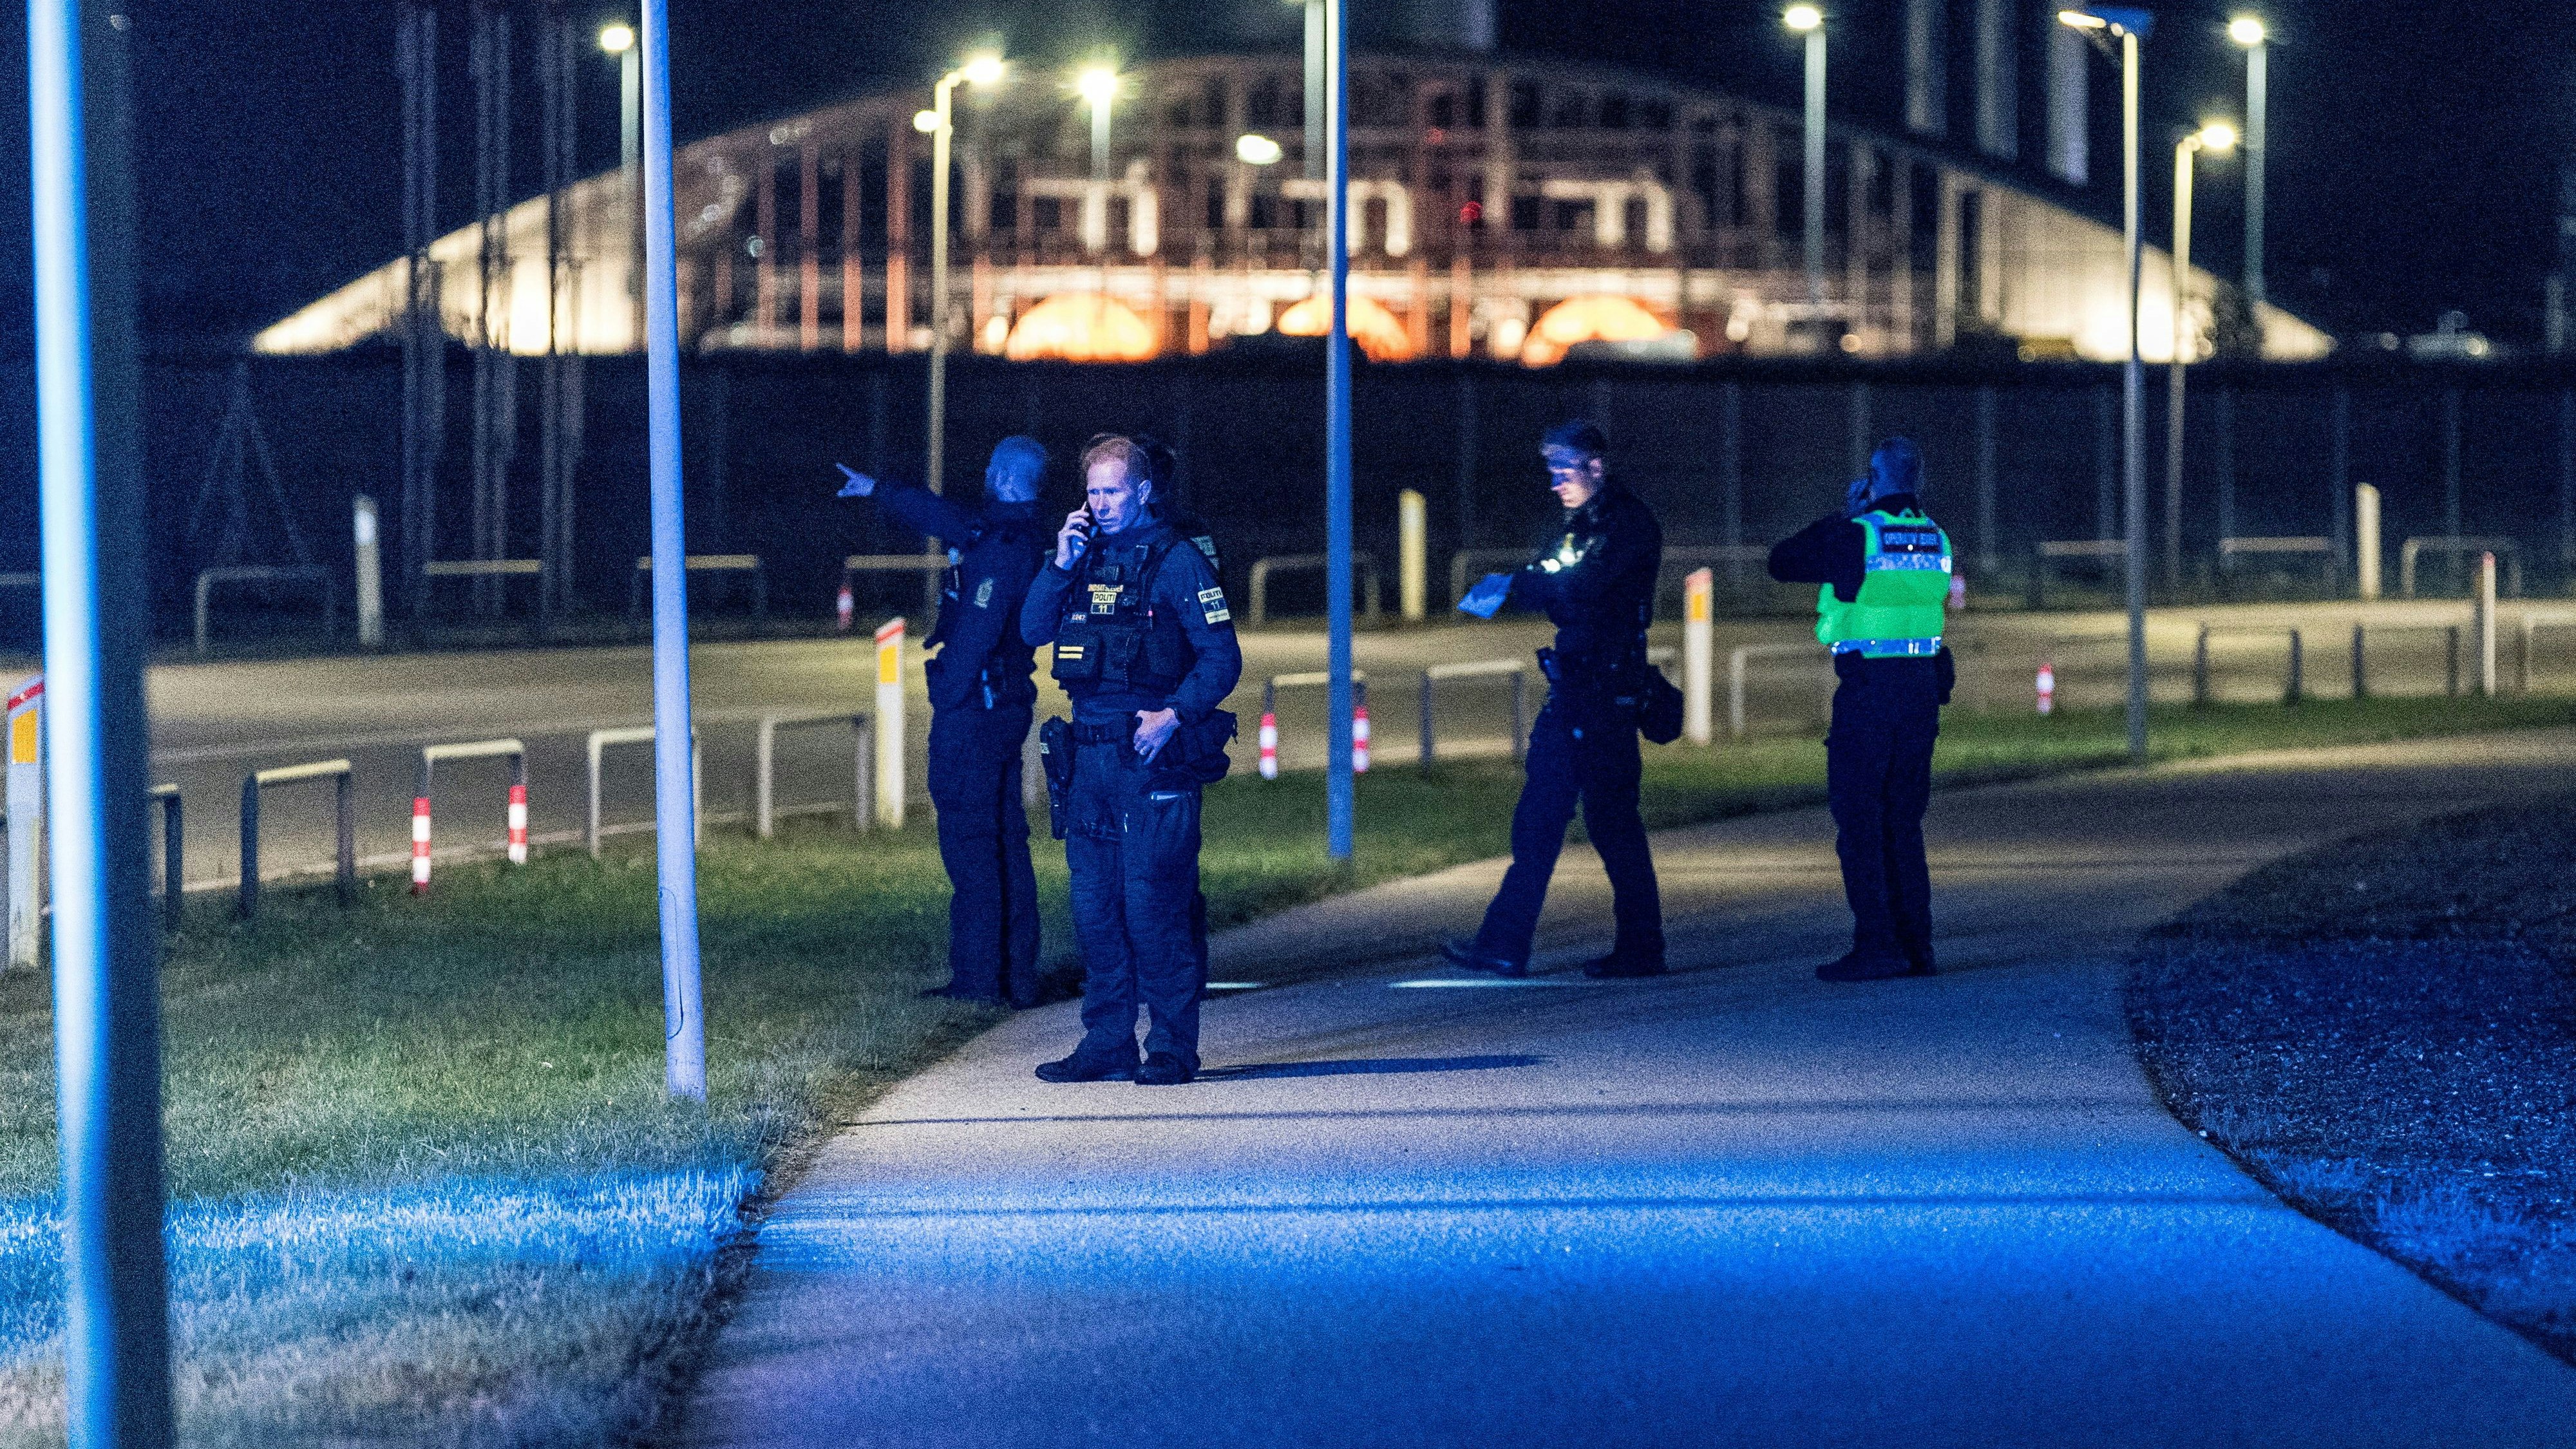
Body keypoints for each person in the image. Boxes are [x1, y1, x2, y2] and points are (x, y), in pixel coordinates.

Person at [1019, 434, 1242, 1085]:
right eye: (1092, 491)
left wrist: (1173, 715)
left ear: (1143, 491)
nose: (1101, 502)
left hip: (1151, 759)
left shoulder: (1176, 560)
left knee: (1154, 907)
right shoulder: (1082, 556)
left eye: (1113, 490)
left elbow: (1222, 657)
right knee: (1095, 908)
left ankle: (1171, 1046)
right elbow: (1033, 630)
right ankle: (1108, 1040)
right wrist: (1059, 564)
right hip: (1087, 762)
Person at [1440, 420, 1667, 980]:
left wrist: (1516, 588)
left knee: (1609, 823)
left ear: (1595, 466)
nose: (1555, 483)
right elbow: (1552, 576)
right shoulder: (1582, 525)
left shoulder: (1628, 525)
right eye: (1550, 471)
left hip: (1605, 695)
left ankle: (1638, 946)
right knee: (1543, 819)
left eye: (1563, 470)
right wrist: (1514, 583)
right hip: (1576, 689)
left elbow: (1582, 588)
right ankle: (1505, 944)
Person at [835, 437, 1052, 1007]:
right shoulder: (1010, 533)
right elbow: (948, 518)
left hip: (977, 714)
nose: (981, 470)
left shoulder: (1001, 551)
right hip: (1002, 709)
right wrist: (879, 490)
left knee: (972, 844)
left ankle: (981, 981)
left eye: (988, 466)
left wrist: (949, 700)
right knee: (1005, 840)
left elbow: (974, 640)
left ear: (1005, 477)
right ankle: (1016, 977)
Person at [1765, 437, 1956, 982]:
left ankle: (1877, 945)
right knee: (1903, 824)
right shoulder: (1936, 535)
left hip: (1870, 693)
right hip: (1920, 691)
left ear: (1874, 476)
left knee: (1859, 823)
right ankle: (1917, 948)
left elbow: (1782, 562)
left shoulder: (1859, 534)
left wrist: (1844, 513)